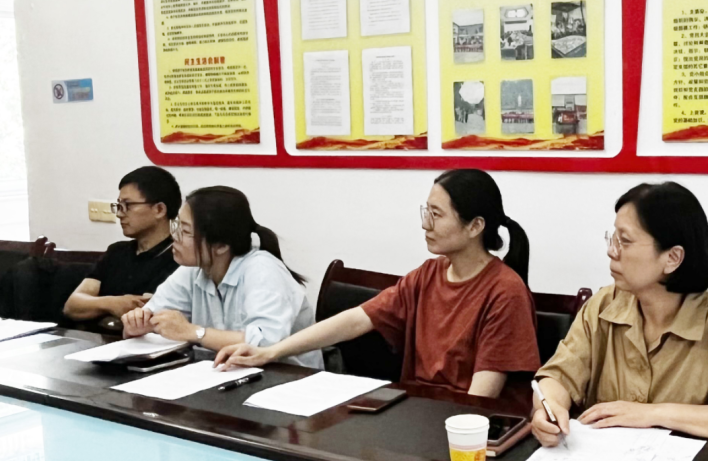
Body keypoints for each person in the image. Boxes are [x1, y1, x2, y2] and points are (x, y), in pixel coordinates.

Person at [214, 169, 540, 399]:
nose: (425, 225)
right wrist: (270, 351)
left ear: (475, 226)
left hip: (464, 427)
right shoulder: (429, 274)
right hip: (417, 412)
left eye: (437, 215)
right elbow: (357, 319)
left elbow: (480, 400)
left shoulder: (505, 292)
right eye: (426, 212)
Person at [532, 182, 708, 447]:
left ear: (672, 258)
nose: (611, 251)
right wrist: (549, 407)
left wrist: (653, 414)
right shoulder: (603, 306)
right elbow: (558, 376)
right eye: (613, 238)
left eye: (625, 241)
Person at [121, 186, 323, 369]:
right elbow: (156, 316)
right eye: (176, 226)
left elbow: (265, 344)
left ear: (221, 246)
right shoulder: (193, 270)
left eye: (185, 231)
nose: (174, 236)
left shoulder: (263, 270)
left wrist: (194, 332)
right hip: (223, 373)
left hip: (287, 378)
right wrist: (138, 325)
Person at [63, 167, 181, 321]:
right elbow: (72, 305)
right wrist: (113, 303)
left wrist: (96, 305)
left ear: (159, 210)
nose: (119, 214)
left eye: (128, 205)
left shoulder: (179, 258)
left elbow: (147, 316)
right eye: (118, 206)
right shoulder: (117, 251)